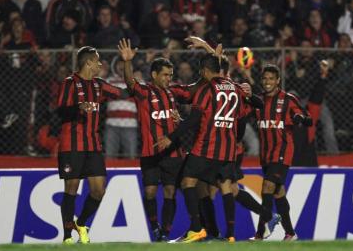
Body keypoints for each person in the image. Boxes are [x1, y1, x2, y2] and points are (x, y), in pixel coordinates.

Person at [156, 53, 250, 243]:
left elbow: (194, 119)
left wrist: (170, 137)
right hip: (228, 150)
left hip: (206, 147)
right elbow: (243, 117)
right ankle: (230, 235)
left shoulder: (206, 90)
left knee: (187, 182)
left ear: (205, 71)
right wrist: (237, 138)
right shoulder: (236, 89)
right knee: (226, 188)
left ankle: (197, 229)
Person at [118, 39, 193, 241]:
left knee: (170, 191)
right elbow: (130, 82)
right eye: (165, 75)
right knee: (150, 192)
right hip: (150, 152)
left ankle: (165, 233)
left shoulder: (174, 92)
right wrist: (127, 62)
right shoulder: (144, 93)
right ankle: (155, 227)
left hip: (174, 152)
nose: (169, 78)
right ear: (154, 75)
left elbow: (195, 90)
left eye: (171, 75)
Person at [57, 46, 128, 244]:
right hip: (71, 145)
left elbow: (123, 93)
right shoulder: (69, 83)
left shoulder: (99, 85)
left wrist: (128, 65)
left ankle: (81, 223)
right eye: (97, 61)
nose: (100, 64)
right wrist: (77, 108)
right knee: (71, 188)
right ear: (88, 62)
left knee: (98, 190)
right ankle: (67, 237)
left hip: (93, 145)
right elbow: (60, 111)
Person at [251, 64, 312, 241]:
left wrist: (300, 118)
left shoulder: (288, 99)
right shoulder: (258, 101)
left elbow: (308, 119)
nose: (267, 82)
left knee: (267, 187)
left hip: (283, 151)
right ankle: (291, 233)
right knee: (278, 193)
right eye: (265, 78)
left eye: (271, 78)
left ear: (278, 80)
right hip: (266, 154)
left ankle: (261, 233)